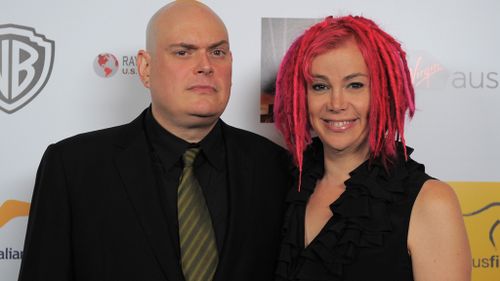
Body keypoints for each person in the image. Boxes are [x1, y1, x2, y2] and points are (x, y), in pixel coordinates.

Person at [18, 1, 290, 281]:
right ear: (145, 67)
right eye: (183, 52)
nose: (205, 66)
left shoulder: (276, 167)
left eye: (217, 52)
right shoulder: (73, 167)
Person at [273, 15, 471, 281]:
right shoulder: (282, 183)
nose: (336, 103)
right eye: (320, 86)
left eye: (355, 85)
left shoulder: (430, 202)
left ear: (385, 92)